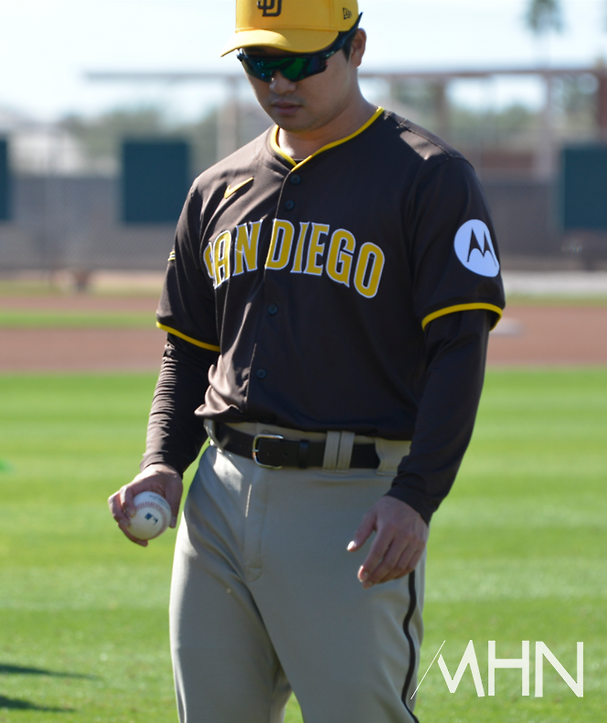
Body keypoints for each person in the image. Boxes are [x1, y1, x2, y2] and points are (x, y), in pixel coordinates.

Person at [108, 1, 505, 721]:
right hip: (218, 500)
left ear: (356, 47)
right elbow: (188, 352)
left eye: (301, 60)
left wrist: (416, 495)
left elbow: (458, 350)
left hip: (351, 505)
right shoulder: (217, 188)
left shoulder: (428, 177)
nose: (279, 82)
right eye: (260, 62)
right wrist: (162, 459)